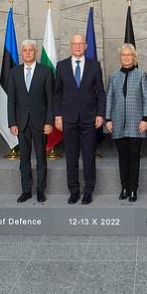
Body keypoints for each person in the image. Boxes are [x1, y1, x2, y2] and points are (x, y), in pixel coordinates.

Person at [54, 34, 105, 205]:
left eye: (80, 43)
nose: (77, 46)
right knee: (71, 156)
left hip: (89, 119)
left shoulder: (94, 65)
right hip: (68, 119)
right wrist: (58, 116)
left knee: (89, 156)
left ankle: (88, 191)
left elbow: (100, 93)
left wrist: (100, 114)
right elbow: (57, 94)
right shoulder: (61, 66)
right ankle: (74, 191)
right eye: (74, 43)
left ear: (86, 46)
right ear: (70, 46)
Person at [8, 39, 54, 203]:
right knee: (24, 159)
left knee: (41, 158)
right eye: (25, 50)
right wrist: (12, 123)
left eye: (31, 50)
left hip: (41, 123)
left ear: (36, 52)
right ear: (22, 53)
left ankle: (40, 190)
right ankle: (26, 190)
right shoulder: (14, 72)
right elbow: (11, 100)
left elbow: (50, 100)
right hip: (21, 123)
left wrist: (49, 122)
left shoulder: (46, 71)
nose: (28, 53)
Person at [105, 44, 147, 202]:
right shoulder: (113, 76)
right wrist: (108, 119)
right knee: (122, 156)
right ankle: (124, 187)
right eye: (123, 55)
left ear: (134, 57)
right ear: (120, 57)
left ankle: (133, 189)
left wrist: (145, 119)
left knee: (134, 156)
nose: (126, 57)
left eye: (129, 55)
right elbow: (109, 98)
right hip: (118, 122)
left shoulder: (141, 74)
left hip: (137, 123)